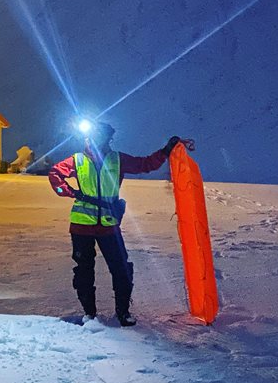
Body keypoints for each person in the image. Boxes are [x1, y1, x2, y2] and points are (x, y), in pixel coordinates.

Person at [49, 122, 194, 326]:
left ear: (107, 139)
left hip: (109, 226)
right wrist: (71, 192)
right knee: (84, 271)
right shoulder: (77, 160)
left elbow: (146, 165)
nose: (95, 140)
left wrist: (166, 151)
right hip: (81, 226)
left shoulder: (117, 159)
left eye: (101, 137)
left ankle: (123, 312)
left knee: (121, 269)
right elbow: (55, 174)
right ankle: (89, 313)